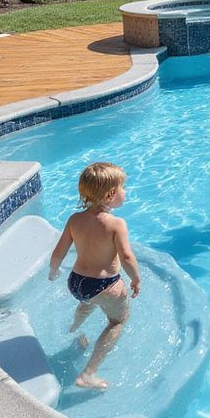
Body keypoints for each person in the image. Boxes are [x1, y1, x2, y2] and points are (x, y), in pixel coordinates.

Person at [49, 162, 142, 390]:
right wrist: (136, 279)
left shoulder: (74, 219)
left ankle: (73, 329)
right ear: (110, 195)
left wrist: (53, 270)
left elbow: (59, 251)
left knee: (87, 301)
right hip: (104, 285)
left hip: (76, 282)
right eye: (123, 187)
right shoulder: (116, 224)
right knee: (118, 321)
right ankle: (88, 373)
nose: (125, 191)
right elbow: (126, 257)